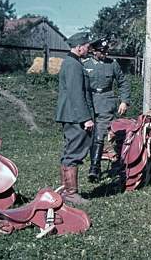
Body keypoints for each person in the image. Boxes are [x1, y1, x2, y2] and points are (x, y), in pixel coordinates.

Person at [82, 37, 131, 182]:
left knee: (100, 134)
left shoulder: (112, 64)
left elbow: (122, 82)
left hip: (106, 101)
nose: (104, 54)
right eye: (101, 52)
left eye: (106, 51)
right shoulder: (85, 64)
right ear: (94, 51)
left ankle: (95, 168)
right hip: (89, 101)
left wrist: (124, 101)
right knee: (88, 134)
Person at [55, 32, 94, 205]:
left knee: (71, 150)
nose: (88, 48)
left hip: (72, 114)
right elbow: (76, 94)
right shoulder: (73, 65)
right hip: (74, 115)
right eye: (86, 46)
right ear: (79, 47)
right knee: (74, 151)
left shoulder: (73, 62)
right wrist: (85, 118)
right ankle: (71, 193)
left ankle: (66, 190)